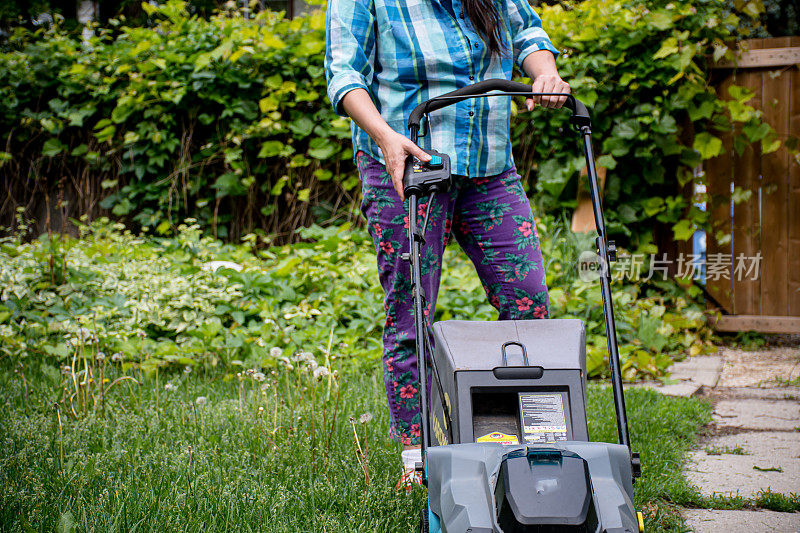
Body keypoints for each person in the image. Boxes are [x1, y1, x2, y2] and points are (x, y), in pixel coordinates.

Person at [325, 0, 569, 488]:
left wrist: (547, 74)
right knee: (411, 313)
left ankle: (534, 444)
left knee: (529, 304)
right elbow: (344, 73)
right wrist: (387, 138)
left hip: (489, 164)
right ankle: (418, 461)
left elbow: (528, 35)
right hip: (406, 165)